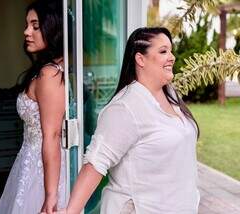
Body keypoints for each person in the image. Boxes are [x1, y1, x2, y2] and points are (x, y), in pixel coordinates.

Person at [62, 27, 200, 214]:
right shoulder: (125, 107)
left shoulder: (170, 94)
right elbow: (95, 163)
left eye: (171, 50)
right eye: (163, 51)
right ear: (140, 59)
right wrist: (70, 211)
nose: (172, 57)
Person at [0, 1, 66, 213]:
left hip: (43, 168)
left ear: (53, 28)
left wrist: (51, 194)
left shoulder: (50, 74)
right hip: (30, 160)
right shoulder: (46, 69)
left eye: (35, 26)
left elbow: (52, 135)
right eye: (27, 25)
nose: (26, 32)